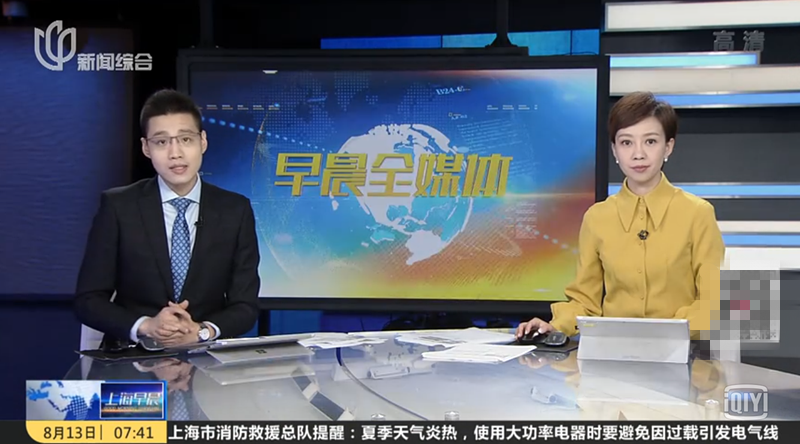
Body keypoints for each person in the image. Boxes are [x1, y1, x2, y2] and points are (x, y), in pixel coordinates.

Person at [517, 91, 724, 339]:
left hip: (682, 350)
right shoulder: (597, 218)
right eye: (626, 143)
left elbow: (712, 302)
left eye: (650, 141)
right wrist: (556, 326)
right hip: (612, 350)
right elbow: (585, 302)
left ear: (668, 146)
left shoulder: (698, 214)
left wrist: (670, 332)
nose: (638, 154)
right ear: (614, 150)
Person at [74, 89, 260, 349]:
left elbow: (245, 306)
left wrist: (201, 332)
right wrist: (147, 326)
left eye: (186, 139)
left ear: (203, 141)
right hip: (132, 357)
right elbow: (88, 300)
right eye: (161, 142)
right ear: (145, 147)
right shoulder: (119, 207)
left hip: (206, 357)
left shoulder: (235, 210)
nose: (175, 153)